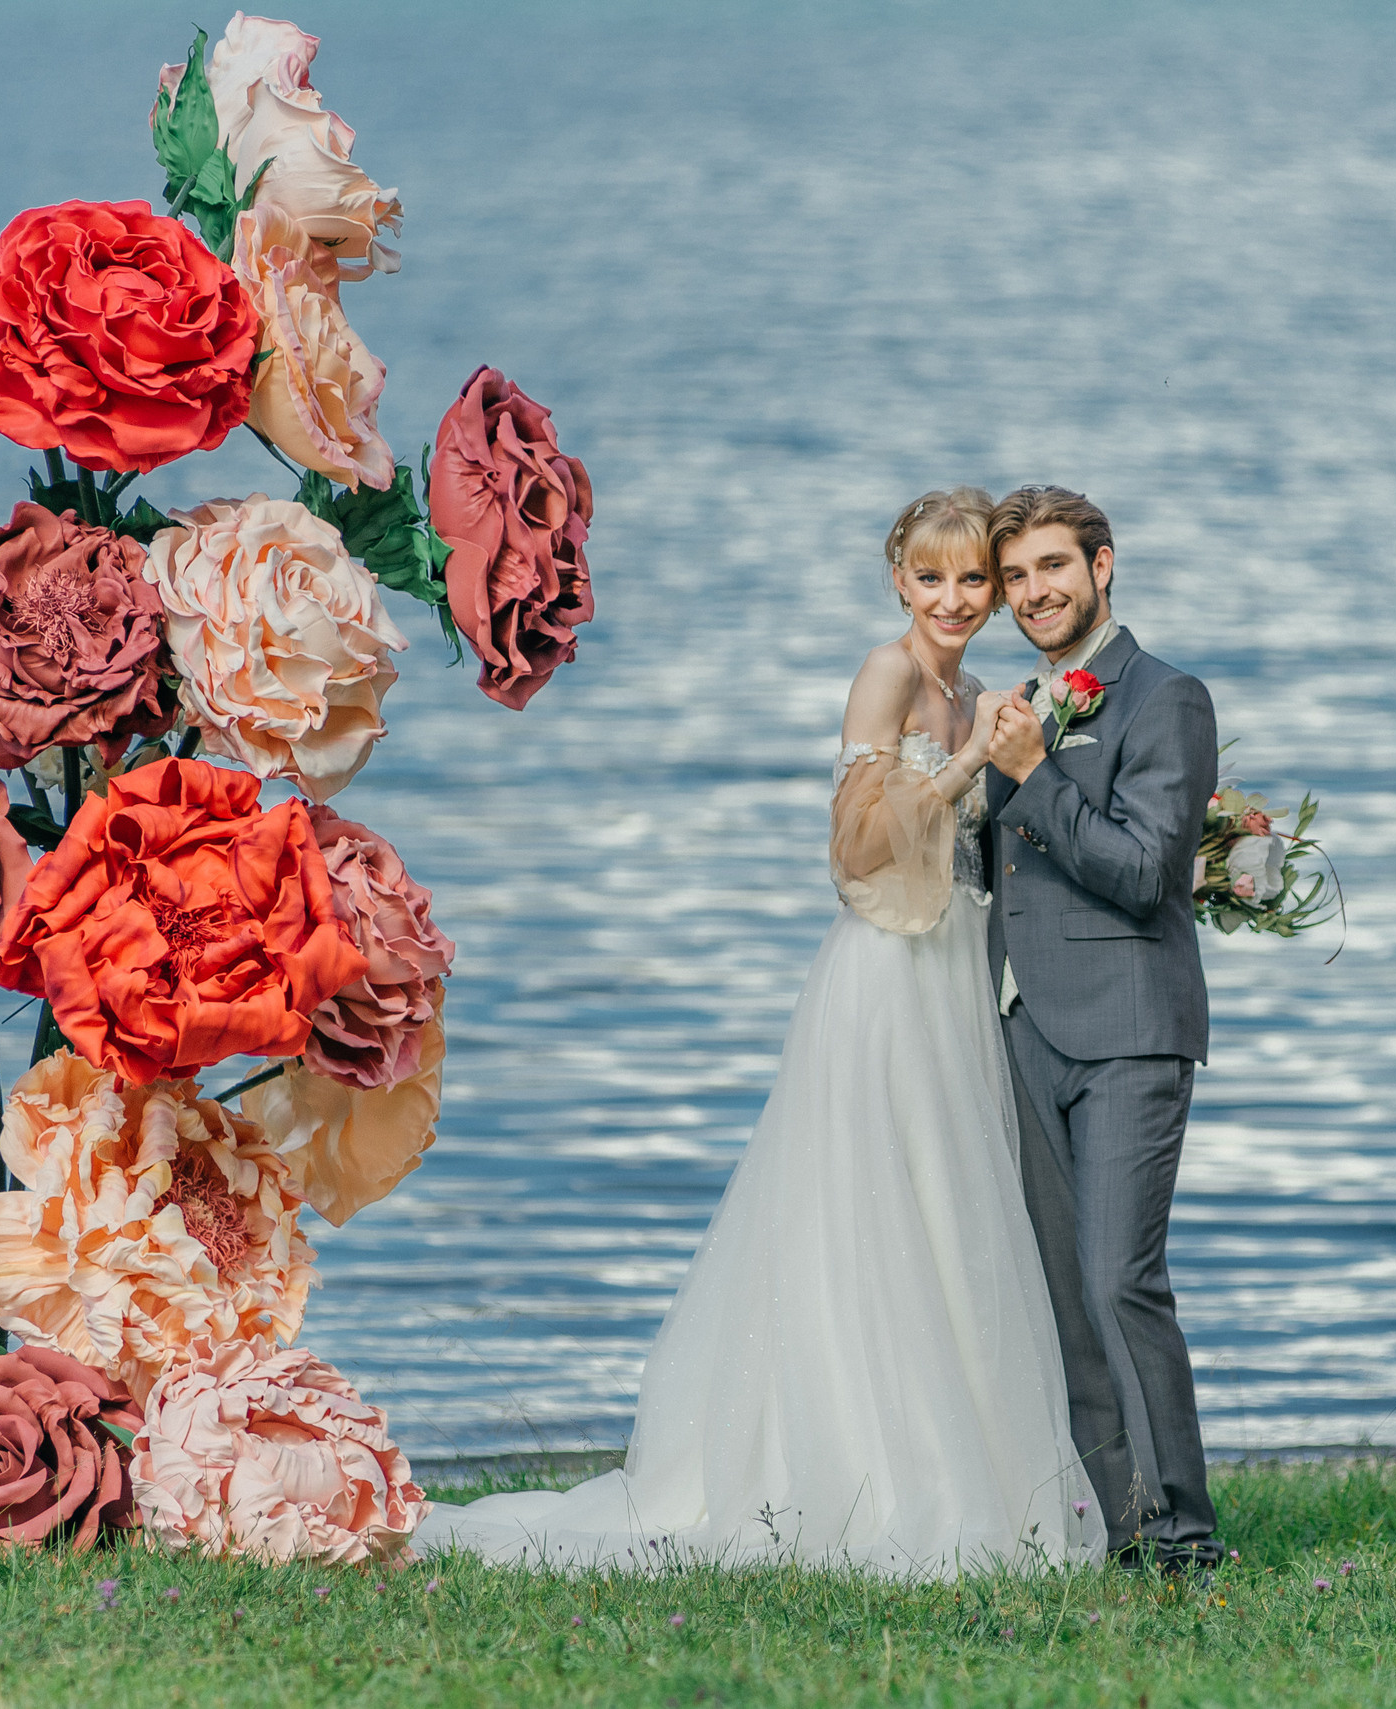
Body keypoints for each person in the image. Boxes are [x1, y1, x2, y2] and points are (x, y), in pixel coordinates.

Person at [416, 488, 1105, 1575]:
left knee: (947, 1207)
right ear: (897, 578)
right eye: (933, 578)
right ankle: (845, 1462)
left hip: (954, 971)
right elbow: (856, 846)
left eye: (975, 578)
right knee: (869, 1199)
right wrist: (975, 760)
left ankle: (960, 1454)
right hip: (884, 970)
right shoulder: (887, 674)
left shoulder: (971, 685)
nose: (957, 598)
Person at [983, 486, 1222, 1573]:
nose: (1035, 591)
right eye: (1017, 575)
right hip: (1021, 1023)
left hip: (1129, 1026)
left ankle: (1186, 1534)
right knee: (1064, 1295)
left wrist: (1035, 770)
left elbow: (1139, 871)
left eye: (1052, 567)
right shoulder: (1015, 706)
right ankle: (1120, 1530)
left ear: (1102, 565)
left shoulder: (1165, 698)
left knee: (1121, 1276)